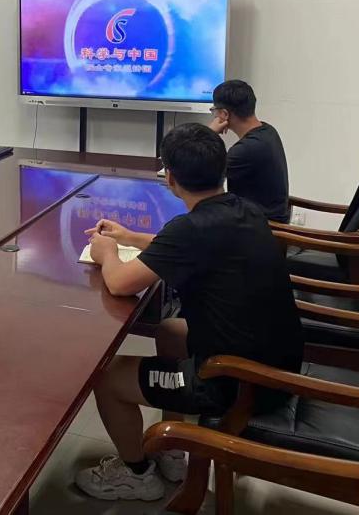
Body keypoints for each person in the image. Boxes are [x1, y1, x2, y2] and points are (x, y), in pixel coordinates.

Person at [74, 123, 304, 501]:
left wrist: (107, 252)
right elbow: (184, 244)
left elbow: (119, 283)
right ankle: (173, 453)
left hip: (237, 381)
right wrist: (129, 237)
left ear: (171, 179)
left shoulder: (191, 229)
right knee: (169, 330)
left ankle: (136, 475)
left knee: (108, 377)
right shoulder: (243, 209)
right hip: (277, 363)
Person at [208, 79, 291, 223]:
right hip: (265, 219)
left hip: (260, 227)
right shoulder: (268, 130)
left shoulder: (245, 150)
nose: (214, 116)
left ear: (225, 114)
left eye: (215, 111)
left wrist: (210, 134)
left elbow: (200, 173)